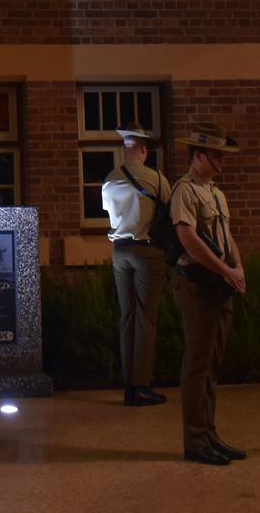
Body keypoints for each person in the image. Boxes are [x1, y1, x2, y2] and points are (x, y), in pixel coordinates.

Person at [171, 122, 246, 465]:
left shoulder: (216, 192)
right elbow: (189, 240)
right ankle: (195, 441)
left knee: (213, 364)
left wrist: (237, 268)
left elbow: (226, 237)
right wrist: (224, 269)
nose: (220, 161)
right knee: (198, 366)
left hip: (218, 286)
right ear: (198, 155)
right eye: (215, 155)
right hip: (197, 286)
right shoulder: (184, 190)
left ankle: (209, 433)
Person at [102, 121, 171, 406]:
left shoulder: (110, 178)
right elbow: (169, 212)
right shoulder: (155, 178)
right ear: (143, 150)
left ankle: (128, 385)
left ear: (125, 148)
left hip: (119, 252)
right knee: (146, 319)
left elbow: (109, 212)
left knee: (126, 318)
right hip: (147, 251)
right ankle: (141, 386)